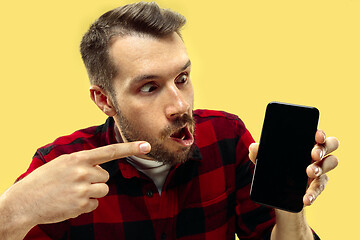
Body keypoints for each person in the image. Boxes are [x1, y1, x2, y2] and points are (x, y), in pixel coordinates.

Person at [0, 2, 339, 240]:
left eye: (182, 78)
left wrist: (290, 203)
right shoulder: (58, 166)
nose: (180, 106)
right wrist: (13, 211)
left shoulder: (227, 136)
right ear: (104, 100)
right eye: (149, 87)